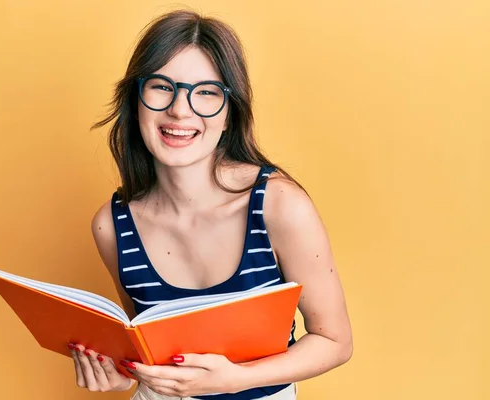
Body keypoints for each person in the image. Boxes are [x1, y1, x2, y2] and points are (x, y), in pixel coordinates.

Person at [68, 9, 352, 400]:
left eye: (206, 92)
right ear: (135, 99)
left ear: (229, 112)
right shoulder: (111, 225)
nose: (180, 110)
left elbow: (335, 341)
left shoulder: (279, 206)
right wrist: (123, 374)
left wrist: (235, 379)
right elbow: (147, 346)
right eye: (161, 86)